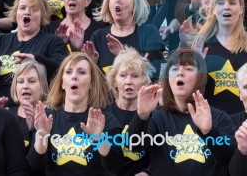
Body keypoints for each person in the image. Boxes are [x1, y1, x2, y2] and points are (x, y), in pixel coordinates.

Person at [126, 48, 236, 175]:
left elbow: (229, 161)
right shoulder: (157, 117)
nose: (180, 73)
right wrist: (142, 115)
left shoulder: (220, 118)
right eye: (174, 69)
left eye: (188, 69)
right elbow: (133, 148)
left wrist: (209, 132)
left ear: (200, 77)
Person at [27, 52, 122, 175]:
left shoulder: (105, 119)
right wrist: (42, 136)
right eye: (68, 72)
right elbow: (35, 165)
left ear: (91, 84)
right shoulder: (47, 118)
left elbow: (115, 165)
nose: (74, 76)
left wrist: (98, 138)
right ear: (62, 83)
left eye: (81, 72)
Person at [0, 0, 68, 106]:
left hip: (35, 109)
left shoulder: (53, 41)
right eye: (23, 8)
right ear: (16, 13)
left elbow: (62, 70)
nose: (27, 12)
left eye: (34, 9)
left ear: (42, 15)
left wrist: (35, 59)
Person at [84, 0, 165, 78]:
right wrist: (91, 64)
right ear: (108, 4)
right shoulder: (98, 36)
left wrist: (124, 55)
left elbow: (155, 72)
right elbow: (90, 80)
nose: (118, 0)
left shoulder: (149, 32)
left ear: (135, 4)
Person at [194, 0, 247, 115]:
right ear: (213, 9)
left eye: (232, 2)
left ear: (241, 10)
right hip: (211, 126)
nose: (226, 7)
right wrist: (196, 64)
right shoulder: (201, 44)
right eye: (221, 3)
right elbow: (189, 91)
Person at [103, 47, 154, 175]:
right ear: (114, 81)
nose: (128, 82)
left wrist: (148, 172)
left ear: (144, 81)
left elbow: (161, 156)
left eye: (135, 76)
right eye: (123, 75)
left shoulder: (153, 115)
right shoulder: (103, 115)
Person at [43, 0, 107, 51]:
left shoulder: (100, 30)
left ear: (87, 0)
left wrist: (79, 48)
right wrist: (58, 44)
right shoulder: (49, 29)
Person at [9, 59, 48, 176]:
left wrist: (33, 129)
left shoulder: (52, 115)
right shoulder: (7, 115)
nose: (25, 86)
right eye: (20, 81)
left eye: (31, 81)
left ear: (42, 86)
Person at [228, 62, 247, 176]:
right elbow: (232, 172)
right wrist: (242, 150)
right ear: (240, 94)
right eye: (246, 87)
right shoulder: (229, 124)